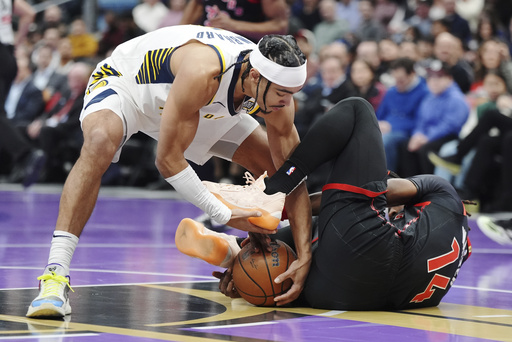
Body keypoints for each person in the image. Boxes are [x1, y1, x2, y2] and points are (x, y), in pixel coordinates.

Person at [26, 25, 312, 318]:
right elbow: (167, 161)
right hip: (129, 86)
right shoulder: (204, 70)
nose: (287, 102)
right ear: (254, 76)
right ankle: (55, 275)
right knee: (100, 142)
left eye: (293, 94)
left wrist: (304, 256)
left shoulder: (275, 93)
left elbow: (295, 177)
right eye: (282, 93)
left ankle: (237, 249)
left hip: (194, 107)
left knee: (277, 168)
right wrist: (224, 215)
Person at [175, 96, 472, 310]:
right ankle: (235, 255)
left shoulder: (440, 193)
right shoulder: (443, 217)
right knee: (299, 243)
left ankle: (272, 194)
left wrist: (283, 203)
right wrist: (250, 280)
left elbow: (385, 192)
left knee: (357, 111)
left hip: (364, 261)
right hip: (346, 293)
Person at [397, 59, 469, 177]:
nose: (434, 82)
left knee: (426, 149)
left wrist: (427, 137)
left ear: (449, 79)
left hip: (450, 136)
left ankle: (431, 186)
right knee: (405, 146)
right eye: (431, 78)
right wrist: (417, 135)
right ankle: (411, 184)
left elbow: (450, 125)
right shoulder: (429, 98)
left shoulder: (456, 99)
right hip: (428, 135)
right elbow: (420, 121)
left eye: (439, 77)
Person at [376, 57, 430, 173]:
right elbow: (379, 114)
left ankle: (386, 179)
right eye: (395, 79)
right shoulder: (391, 91)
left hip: (406, 131)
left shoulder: (425, 92)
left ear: (412, 74)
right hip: (386, 128)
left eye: (401, 80)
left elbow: (420, 121)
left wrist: (391, 126)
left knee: (385, 140)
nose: (397, 84)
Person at [180, 0, 289, 42]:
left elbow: (280, 25)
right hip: (203, 41)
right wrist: (179, 35)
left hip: (239, 52)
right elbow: (197, 4)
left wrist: (234, 25)